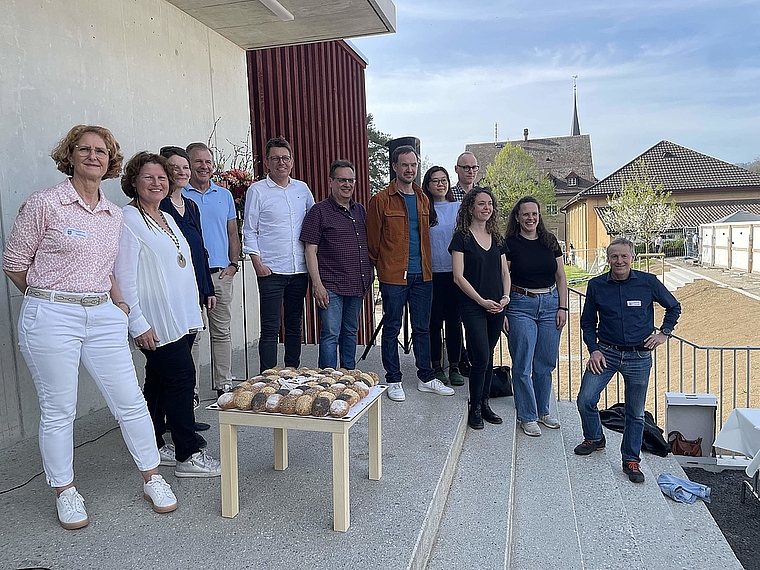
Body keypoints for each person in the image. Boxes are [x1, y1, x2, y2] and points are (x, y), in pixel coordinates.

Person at [2, 126, 177, 530]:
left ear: (111, 160)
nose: (93, 156)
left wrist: (118, 306)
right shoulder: (45, 204)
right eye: (85, 149)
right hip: (51, 315)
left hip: (102, 314)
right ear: (71, 155)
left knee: (130, 401)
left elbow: (110, 270)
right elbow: (14, 263)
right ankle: (65, 491)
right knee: (59, 409)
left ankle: (153, 478)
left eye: (102, 151)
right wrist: (49, 297)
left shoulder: (114, 215)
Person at [114, 151, 221, 479]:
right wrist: (138, 323)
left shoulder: (167, 216)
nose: (156, 183)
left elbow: (182, 265)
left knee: (159, 382)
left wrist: (194, 311)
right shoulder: (128, 219)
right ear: (133, 182)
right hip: (155, 320)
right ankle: (188, 453)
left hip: (180, 316)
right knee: (181, 379)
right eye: (148, 177)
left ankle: (154, 439)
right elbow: (123, 276)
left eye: (161, 177)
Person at [575, 237, 681, 483]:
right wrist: (594, 350)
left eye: (624, 256)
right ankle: (595, 438)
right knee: (585, 399)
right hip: (606, 354)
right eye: (614, 257)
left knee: (635, 413)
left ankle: (631, 460)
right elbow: (588, 322)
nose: (619, 261)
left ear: (633, 258)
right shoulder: (597, 285)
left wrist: (664, 333)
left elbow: (674, 307)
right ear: (608, 259)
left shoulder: (648, 282)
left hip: (638, 357)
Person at [366, 145, 454, 402]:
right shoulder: (380, 200)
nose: (409, 169)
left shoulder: (423, 198)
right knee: (391, 328)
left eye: (413, 165)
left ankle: (426, 377)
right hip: (394, 276)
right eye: (404, 164)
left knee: (423, 328)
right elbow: (373, 243)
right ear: (394, 167)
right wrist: (382, 271)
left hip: (423, 274)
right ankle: (393, 379)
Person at [243, 137, 315, 372]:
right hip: (271, 270)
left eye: (285, 158)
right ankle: (268, 376)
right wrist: (257, 264)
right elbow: (249, 229)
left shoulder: (302, 189)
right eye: (275, 158)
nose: (281, 162)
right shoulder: (257, 191)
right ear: (267, 162)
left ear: (292, 162)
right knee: (271, 327)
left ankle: (292, 371)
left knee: (294, 325)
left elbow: (313, 224)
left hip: (299, 270)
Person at [504, 195, 568, 437]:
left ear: (539, 216)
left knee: (545, 363)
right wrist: (504, 311)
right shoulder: (509, 244)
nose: (531, 218)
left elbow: (561, 276)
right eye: (526, 214)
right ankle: (527, 415)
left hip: (551, 304)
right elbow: (504, 278)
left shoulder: (550, 241)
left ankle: (543, 411)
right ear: (518, 218)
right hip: (521, 305)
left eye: (534, 214)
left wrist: (563, 307)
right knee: (522, 364)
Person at [159, 145, 216, 416]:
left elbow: (199, 251)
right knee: (175, 354)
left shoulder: (191, 206)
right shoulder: (158, 206)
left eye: (185, 167)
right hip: (170, 291)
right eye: (175, 167)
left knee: (192, 346)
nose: (182, 172)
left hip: (194, 288)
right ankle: (172, 414)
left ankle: (186, 410)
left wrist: (208, 290)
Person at [300, 159, 371, 369]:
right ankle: (328, 380)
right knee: (331, 333)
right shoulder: (318, 211)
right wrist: (317, 285)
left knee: (350, 331)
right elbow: (310, 250)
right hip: (330, 285)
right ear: (331, 182)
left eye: (350, 180)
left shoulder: (360, 211)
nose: (347, 184)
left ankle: (349, 375)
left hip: (356, 285)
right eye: (342, 180)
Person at [450, 187, 511, 429]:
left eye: (489, 204)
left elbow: (505, 272)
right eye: (481, 204)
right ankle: (474, 406)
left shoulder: (497, 238)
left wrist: (505, 297)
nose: (487, 208)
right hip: (473, 305)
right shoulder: (461, 238)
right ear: (470, 208)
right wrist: (480, 301)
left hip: (497, 305)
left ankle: (485, 403)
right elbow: (458, 277)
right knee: (481, 357)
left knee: (490, 355)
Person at [183, 142, 240, 395]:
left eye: (208, 162)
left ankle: (223, 383)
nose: (204, 167)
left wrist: (233, 264)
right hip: (191, 275)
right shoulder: (180, 195)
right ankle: (191, 390)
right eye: (198, 162)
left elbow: (232, 232)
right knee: (193, 334)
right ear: (188, 165)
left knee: (221, 331)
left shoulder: (224, 195)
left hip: (220, 272)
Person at [422, 166, 465, 387]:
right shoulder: (424, 209)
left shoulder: (458, 208)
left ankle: (455, 366)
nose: (441, 184)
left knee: (454, 323)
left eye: (444, 180)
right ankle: (436, 365)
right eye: (435, 180)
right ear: (427, 185)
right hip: (431, 274)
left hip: (455, 274)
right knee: (434, 323)